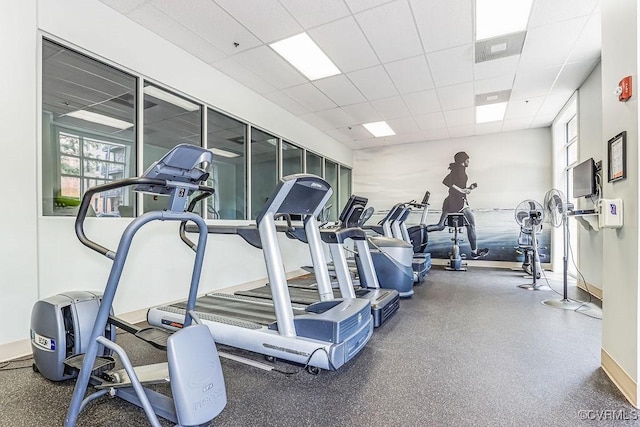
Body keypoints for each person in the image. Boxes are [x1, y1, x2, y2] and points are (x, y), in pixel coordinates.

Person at [426, 151, 489, 259]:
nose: (469, 161)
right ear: (463, 160)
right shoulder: (460, 169)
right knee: (471, 225)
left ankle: (421, 230)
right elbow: (446, 182)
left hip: (450, 201)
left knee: (440, 226)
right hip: (458, 202)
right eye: (467, 159)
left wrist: (468, 188)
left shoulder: (457, 170)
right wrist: (461, 190)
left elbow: (453, 184)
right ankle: (474, 252)